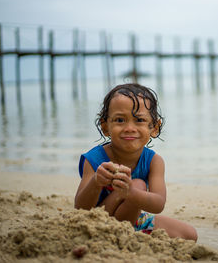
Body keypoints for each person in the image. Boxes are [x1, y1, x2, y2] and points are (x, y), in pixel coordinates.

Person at [74, 83, 197, 241]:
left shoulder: (154, 161)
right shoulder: (95, 160)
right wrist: (96, 182)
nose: (129, 128)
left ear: (154, 127)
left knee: (189, 235)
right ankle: (118, 235)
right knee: (138, 183)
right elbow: (80, 209)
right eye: (120, 120)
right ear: (105, 127)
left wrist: (129, 193)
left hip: (133, 218)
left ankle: (129, 230)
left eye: (139, 120)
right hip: (99, 221)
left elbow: (158, 204)